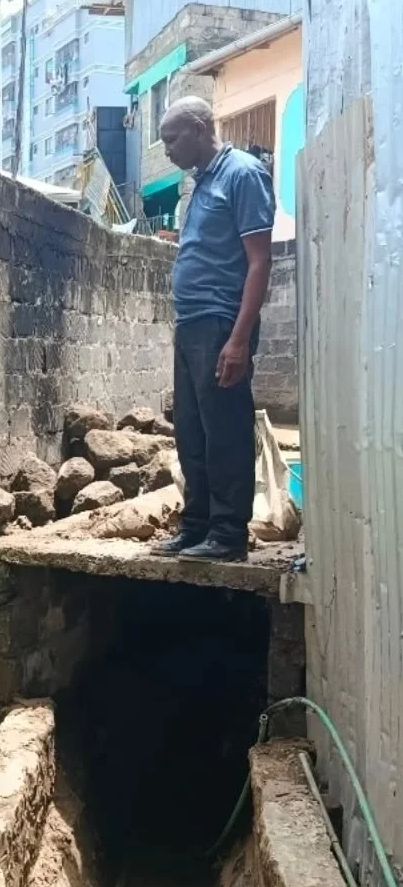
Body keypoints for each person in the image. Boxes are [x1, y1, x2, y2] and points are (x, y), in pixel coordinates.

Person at [152, 96, 275, 562]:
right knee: (191, 430)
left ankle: (227, 534)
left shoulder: (242, 174)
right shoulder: (201, 184)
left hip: (222, 322)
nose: (167, 150)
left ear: (202, 129)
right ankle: (197, 524)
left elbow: (260, 261)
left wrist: (239, 339)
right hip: (192, 324)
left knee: (224, 429)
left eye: (172, 138)